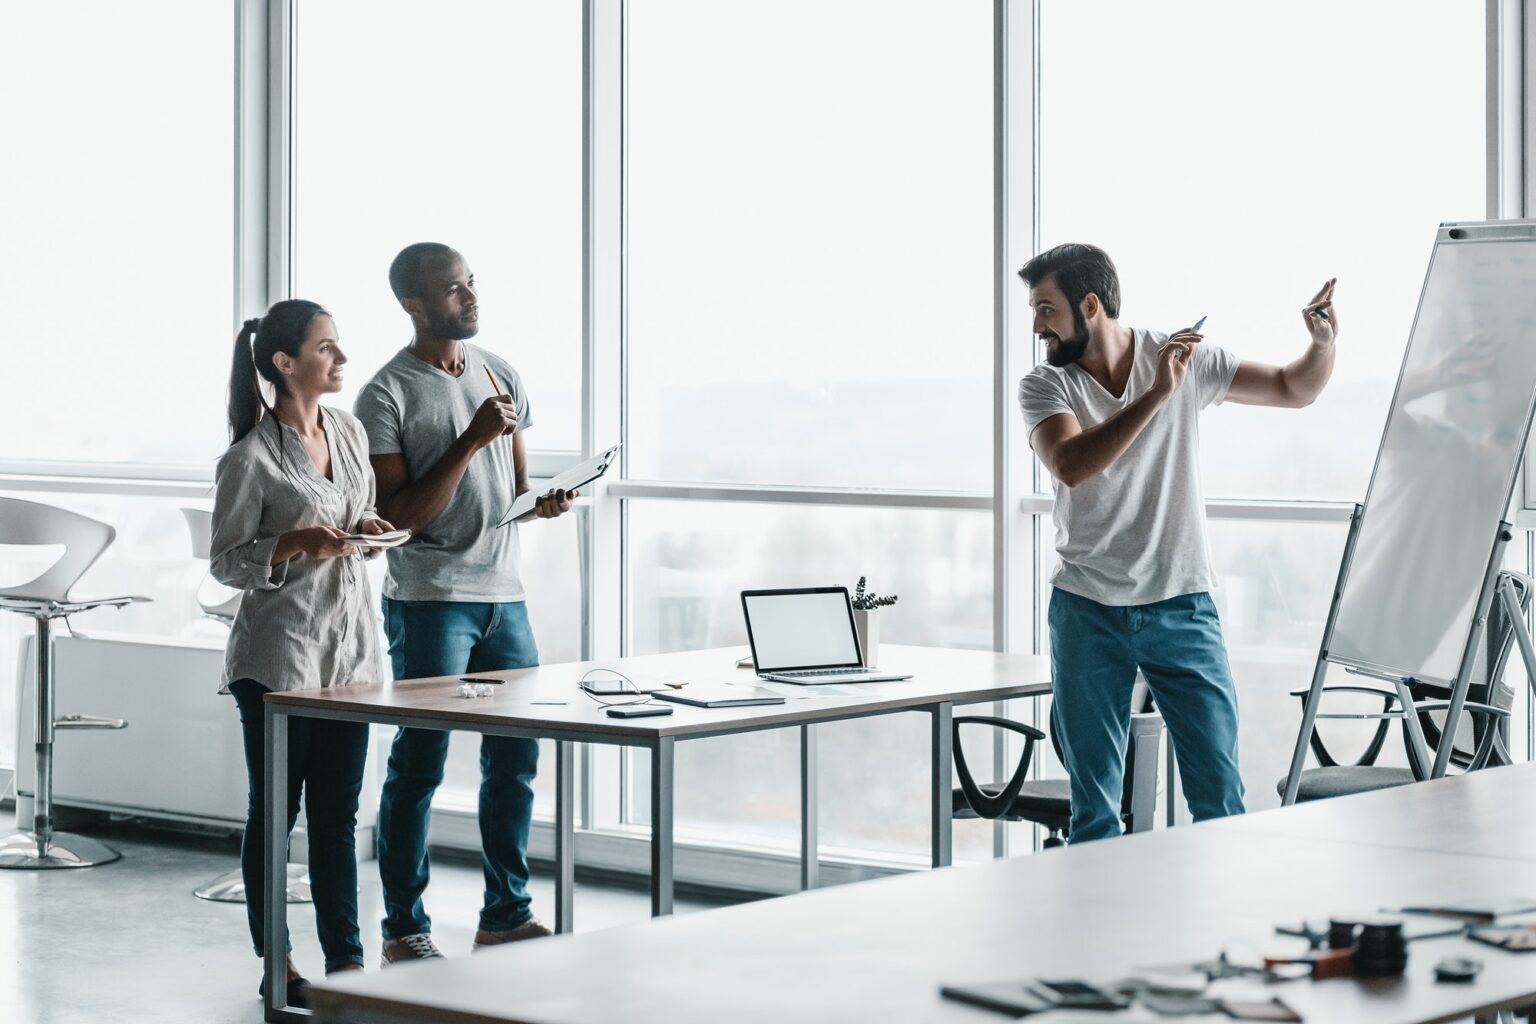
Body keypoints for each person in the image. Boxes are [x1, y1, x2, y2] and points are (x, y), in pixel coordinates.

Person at [1017, 242, 1338, 843]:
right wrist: (1158, 394)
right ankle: (1101, 935)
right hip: (1086, 611)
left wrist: (1321, 346)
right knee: (1095, 812)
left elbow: (1295, 389)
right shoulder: (1045, 387)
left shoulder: (1186, 359)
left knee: (1219, 798)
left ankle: (1212, 934)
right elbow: (1070, 463)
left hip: (1182, 605)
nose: (1037, 327)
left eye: (1046, 310)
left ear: (1090, 305)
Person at [355, 242, 575, 964]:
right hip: (430, 601)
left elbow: (511, 489)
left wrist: (540, 504)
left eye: (471, 283)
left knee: (515, 761)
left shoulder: (499, 371)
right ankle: (403, 930)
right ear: (415, 305)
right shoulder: (385, 394)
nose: (471, 297)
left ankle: (505, 915)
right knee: (419, 764)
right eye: (454, 290)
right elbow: (400, 517)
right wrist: (469, 437)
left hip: (503, 598)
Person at [211, 299, 395, 1005]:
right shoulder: (250, 458)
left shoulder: (347, 433)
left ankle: (346, 962)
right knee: (275, 815)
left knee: (338, 818)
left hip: (350, 657)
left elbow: (355, 515)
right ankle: (277, 963)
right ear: (286, 363)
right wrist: (295, 542)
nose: (341, 359)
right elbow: (227, 562)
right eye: (327, 348)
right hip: (279, 660)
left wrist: (367, 525)